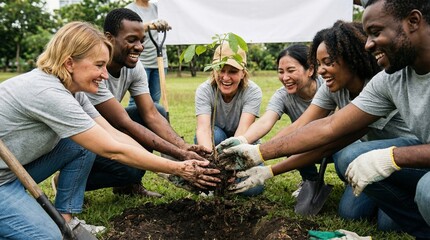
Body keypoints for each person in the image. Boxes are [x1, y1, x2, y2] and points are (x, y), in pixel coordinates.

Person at [218, 0, 430, 238]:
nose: (369, 45)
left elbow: (332, 139)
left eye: (376, 33)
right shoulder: (391, 78)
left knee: (419, 189)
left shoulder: (378, 78)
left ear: (413, 21)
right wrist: (258, 153)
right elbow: (323, 126)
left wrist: (393, 157)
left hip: (407, 156)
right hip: (398, 157)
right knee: (358, 214)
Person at [0, 21, 219, 239]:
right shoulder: (48, 92)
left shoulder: (75, 92)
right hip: (3, 181)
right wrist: (178, 169)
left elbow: (114, 135)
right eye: (98, 65)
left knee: (80, 146)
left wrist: (170, 168)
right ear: (69, 63)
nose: (105, 75)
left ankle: (66, 219)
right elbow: (113, 150)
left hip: (16, 169)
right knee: (49, 238)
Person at [83, 8, 212, 197]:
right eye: (131, 40)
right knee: (130, 170)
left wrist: (182, 146)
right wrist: (179, 157)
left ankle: (127, 187)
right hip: (82, 136)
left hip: (107, 127)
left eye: (141, 41)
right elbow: (124, 123)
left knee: (157, 110)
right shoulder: (95, 71)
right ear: (109, 38)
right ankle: (69, 180)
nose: (139, 47)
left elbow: (151, 114)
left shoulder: (134, 68)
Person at [219, 44, 323, 197]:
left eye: (291, 70)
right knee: (292, 141)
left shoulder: (327, 87)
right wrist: (241, 141)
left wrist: (261, 151)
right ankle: (311, 181)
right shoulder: (283, 95)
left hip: (338, 144)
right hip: (309, 144)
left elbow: (300, 125)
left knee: (344, 160)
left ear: (311, 70)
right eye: (281, 72)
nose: (285, 77)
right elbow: (265, 121)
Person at [194, 42, 263, 196]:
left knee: (252, 190)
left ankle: (224, 182)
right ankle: (212, 182)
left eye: (233, 71)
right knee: (215, 134)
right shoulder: (205, 90)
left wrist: (233, 166)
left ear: (243, 73)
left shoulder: (252, 91)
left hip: (242, 143)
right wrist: (210, 166)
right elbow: (204, 129)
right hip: (215, 142)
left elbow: (242, 132)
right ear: (214, 70)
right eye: (221, 70)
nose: (225, 77)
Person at [126, 0, 168, 106]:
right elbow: (127, 29)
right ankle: (133, 122)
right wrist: (150, 24)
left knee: (154, 100)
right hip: (140, 60)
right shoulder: (129, 10)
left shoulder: (158, 8)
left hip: (160, 59)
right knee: (136, 101)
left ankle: (151, 122)